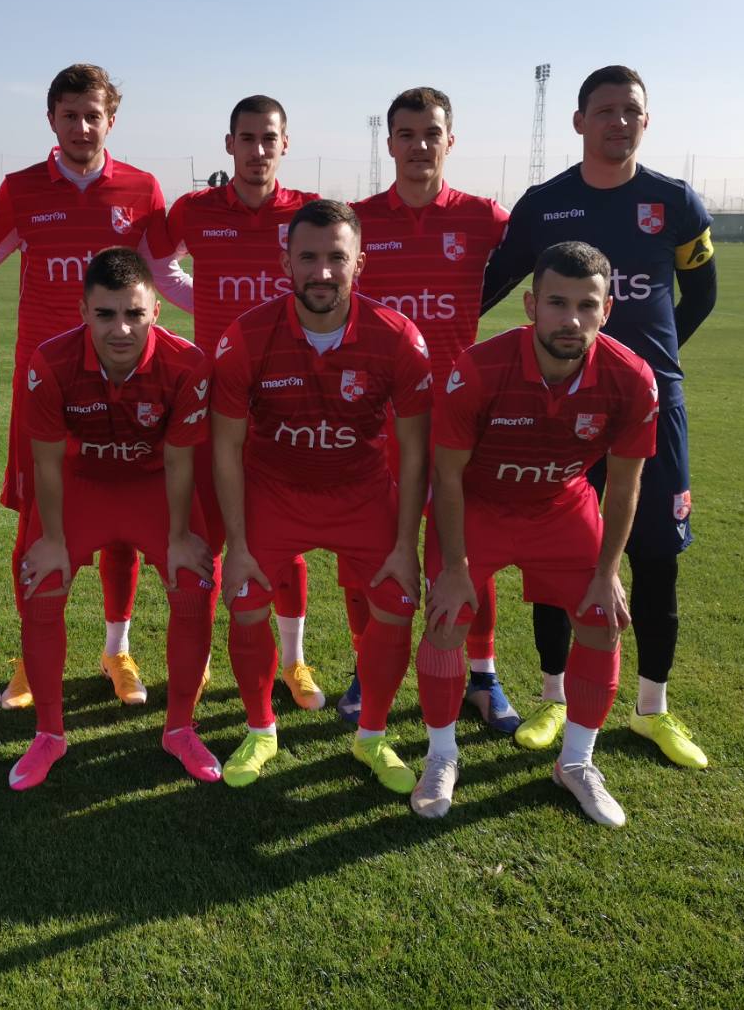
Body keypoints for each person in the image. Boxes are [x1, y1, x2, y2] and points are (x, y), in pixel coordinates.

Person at [481, 66, 717, 769]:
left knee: (655, 557)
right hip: (559, 408)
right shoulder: (545, 204)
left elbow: (699, 297)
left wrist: (648, 371)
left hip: (647, 408)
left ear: (647, 121)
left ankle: (653, 710)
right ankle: (554, 698)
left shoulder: (674, 203)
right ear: (580, 122)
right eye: (605, 111)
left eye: (632, 112)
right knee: (562, 557)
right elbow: (490, 287)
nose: (619, 122)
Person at [0, 63, 188, 709]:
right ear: (51, 120)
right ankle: (32, 661)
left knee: (122, 518)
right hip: (46, 384)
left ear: (112, 120)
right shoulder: (23, 189)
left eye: (93, 115)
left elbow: (162, 276)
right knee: (38, 523)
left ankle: (117, 648)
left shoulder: (141, 188)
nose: (82, 127)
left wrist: (218, 306)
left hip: (124, 381)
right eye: (69, 115)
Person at [415, 242, 658, 826]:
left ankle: (576, 763)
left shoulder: (631, 379)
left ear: (607, 310)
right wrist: (453, 568)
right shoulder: (479, 369)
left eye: (585, 305)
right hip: (479, 506)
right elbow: (445, 476)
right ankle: (441, 755)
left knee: (602, 620)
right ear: (530, 305)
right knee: (448, 619)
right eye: (556, 302)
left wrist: (606, 574)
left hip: (561, 506)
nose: (570, 319)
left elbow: (624, 487)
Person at [211, 200, 433, 792]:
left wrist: (406, 543)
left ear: (360, 262)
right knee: (247, 600)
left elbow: (416, 452)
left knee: (394, 601)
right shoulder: (247, 338)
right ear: (285, 261)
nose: (323, 271)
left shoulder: (397, 339)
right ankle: (261, 729)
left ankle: (372, 737)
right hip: (274, 494)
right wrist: (236, 542)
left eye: (337, 256)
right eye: (308, 257)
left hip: (361, 496)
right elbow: (225, 448)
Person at [10, 247, 220, 789]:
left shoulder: (187, 363)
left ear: (156, 311)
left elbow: (179, 459)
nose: (121, 329)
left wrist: (177, 538)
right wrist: (52, 538)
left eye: (134, 313)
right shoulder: (50, 363)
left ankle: (180, 728)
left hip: (152, 484)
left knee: (196, 580)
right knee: (41, 578)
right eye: (105, 314)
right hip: (84, 484)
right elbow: (48, 461)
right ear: (83, 311)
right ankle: (49, 733)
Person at [146, 95, 322, 710]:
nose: (258, 150)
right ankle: (202, 663)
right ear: (229, 145)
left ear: (284, 143)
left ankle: (295, 661)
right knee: (210, 533)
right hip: (212, 395)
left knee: (285, 539)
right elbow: (155, 264)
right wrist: (205, 304)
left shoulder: (306, 214)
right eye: (246, 139)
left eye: (269, 138)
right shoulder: (194, 210)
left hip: (287, 400)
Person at [350, 87, 514, 731]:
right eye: (407, 133)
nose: (420, 145)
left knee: (462, 554)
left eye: (432, 133)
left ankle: (483, 676)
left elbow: (544, 261)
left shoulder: (483, 218)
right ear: (389, 142)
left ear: (451, 141)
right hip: (378, 417)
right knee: (372, 553)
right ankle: (367, 674)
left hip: (459, 420)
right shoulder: (358, 219)